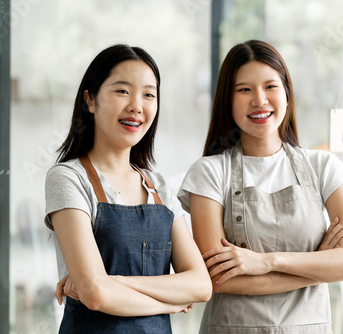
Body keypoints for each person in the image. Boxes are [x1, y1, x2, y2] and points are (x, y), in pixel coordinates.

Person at [178, 40, 343, 333]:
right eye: (244, 90)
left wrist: (266, 262)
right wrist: (320, 265)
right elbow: (217, 279)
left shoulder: (323, 167)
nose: (259, 100)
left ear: (287, 94)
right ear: (227, 101)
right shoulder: (209, 172)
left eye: (270, 86)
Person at [44, 44, 212, 333]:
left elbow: (200, 285)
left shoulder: (159, 186)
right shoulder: (68, 178)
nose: (137, 105)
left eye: (148, 94)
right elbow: (96, 295)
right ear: (90, 100)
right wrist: (171, 302)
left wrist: (115, 282)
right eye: (122, 91)